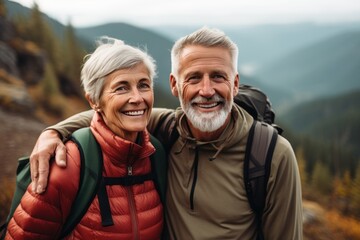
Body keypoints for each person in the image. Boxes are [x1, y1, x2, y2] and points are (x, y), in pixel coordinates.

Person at [29, 27, 303, 239]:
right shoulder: (168, 128)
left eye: (218, 77)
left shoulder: (270, 155)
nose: (206, 91)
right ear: (174, 85)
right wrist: (52, 132)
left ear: (235, 84)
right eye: (194, 78)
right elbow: (111, 112)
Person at [5, 37, 164, 239]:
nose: (137, 98)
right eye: (121, 88)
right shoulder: (67, 164)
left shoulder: (157, 155)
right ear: (94, 101)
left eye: (143, 85)